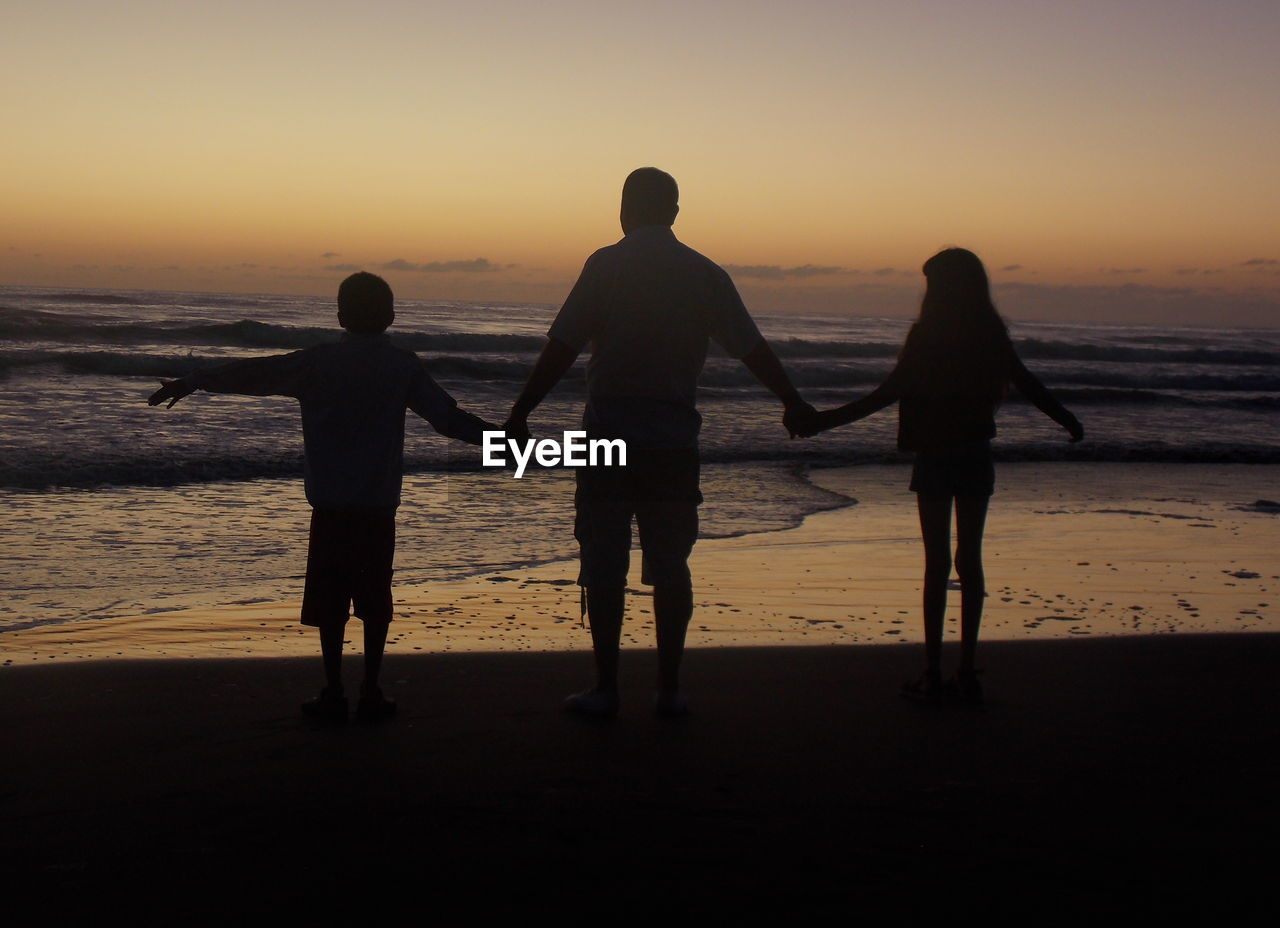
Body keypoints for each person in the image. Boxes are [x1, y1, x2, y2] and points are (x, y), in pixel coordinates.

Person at [505, 167, 815, 717]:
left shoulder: (606, 265)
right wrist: (792, 401)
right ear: (674, 211)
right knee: (671, 566)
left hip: (606, 440)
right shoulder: (705, 274)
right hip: (673, 444)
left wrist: (521, 412)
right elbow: (751, 348)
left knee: (604, 563)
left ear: (624, 208)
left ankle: (606, 688)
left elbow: (563, 345)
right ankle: (668, 690)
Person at [148, 272, 491, 722]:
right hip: (376, 505)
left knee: (331, 604)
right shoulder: (402, 366)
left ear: (340, 316)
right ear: (390, 315)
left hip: (330, 504)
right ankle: (371, 689)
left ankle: (333, 689)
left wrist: (194, 379)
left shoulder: (318, 362)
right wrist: (503, 441)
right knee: (374, 600)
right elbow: (448, 419)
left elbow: (254, 374)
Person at [793, 247, 1083, 704]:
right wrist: (1066, 419)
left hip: (935, 457)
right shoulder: (989, 334)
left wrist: (820, 422)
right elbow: (1028, 383)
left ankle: (933, 670)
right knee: (970, 562)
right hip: (973, 455)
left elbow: (886, 394)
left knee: (937, 564)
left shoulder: (927, 336)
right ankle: (965, 671)